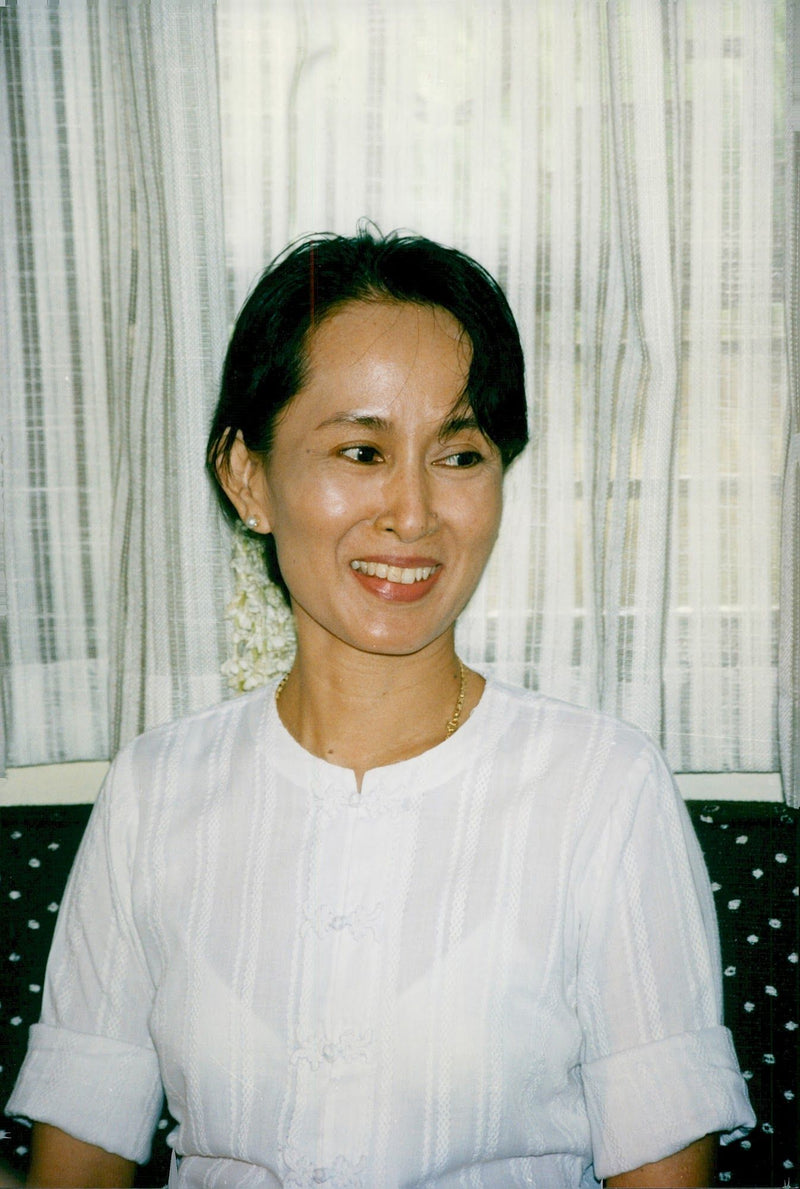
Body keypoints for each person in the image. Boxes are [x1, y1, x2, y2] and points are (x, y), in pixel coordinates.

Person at [7, 230, 754, 1188]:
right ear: (247, 476)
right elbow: (80, 1154)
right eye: (361, 450)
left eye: (460, 453)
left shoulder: (601, 789)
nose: (412, 513)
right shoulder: (157, 788)